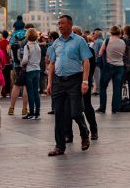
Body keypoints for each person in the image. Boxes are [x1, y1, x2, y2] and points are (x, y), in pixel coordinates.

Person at [46, 15, 93, 156]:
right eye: (58, 24)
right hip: (59, 81)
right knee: (59, 114)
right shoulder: (56, 43)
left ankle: (84, 133)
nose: (60, 26)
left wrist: (85, 82)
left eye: (62, 23)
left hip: (75, 80)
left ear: (70, 25)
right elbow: (52, 63)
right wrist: (49, 83)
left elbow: (86, 61)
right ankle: (59, 147)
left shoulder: (79, 41)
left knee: (75, 112)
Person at [97, 26, 126, 113]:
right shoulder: (122, 42)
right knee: (117, 88)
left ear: (111, 32)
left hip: (109, 66)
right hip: (120, 66)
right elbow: (123, 53)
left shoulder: (107, 40)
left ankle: (102, 108)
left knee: (103, 87)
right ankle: (115, 108)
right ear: (119, 32)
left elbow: (100, 53)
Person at [21, 28, 42, 120]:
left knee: (30, 92)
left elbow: (25, 59)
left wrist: (22, 63)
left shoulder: (27, 46)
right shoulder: (38, 46)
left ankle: (31, 112)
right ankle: (37, 111)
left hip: (29, 70)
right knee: (36, 92)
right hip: (37, 69)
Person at [8, 26, 29, 116]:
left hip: (16, 64)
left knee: (16, 85)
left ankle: (11, 108)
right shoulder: (28, 34)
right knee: (26, 86)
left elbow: (9, 50)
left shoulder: (13, 35)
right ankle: (24, 109)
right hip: (26, 65)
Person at [0, 30, 13, 97]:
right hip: (8, 62)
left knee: (2, 77)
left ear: (2, 35)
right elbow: (9, 53)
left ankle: (3, 91)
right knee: (7, 78)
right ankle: (7, 92)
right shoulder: (8, 43)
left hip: (2, 62)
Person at [92, 29, 104, 95]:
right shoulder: (102, 41)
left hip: (96, 61)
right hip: (101, 61)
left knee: (96, 76)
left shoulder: (96, 42)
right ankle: (98, 88)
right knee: (99, 75)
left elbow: (95, 52)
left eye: (94, 34)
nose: (93, 35)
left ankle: (97, 89)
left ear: (97, 35)